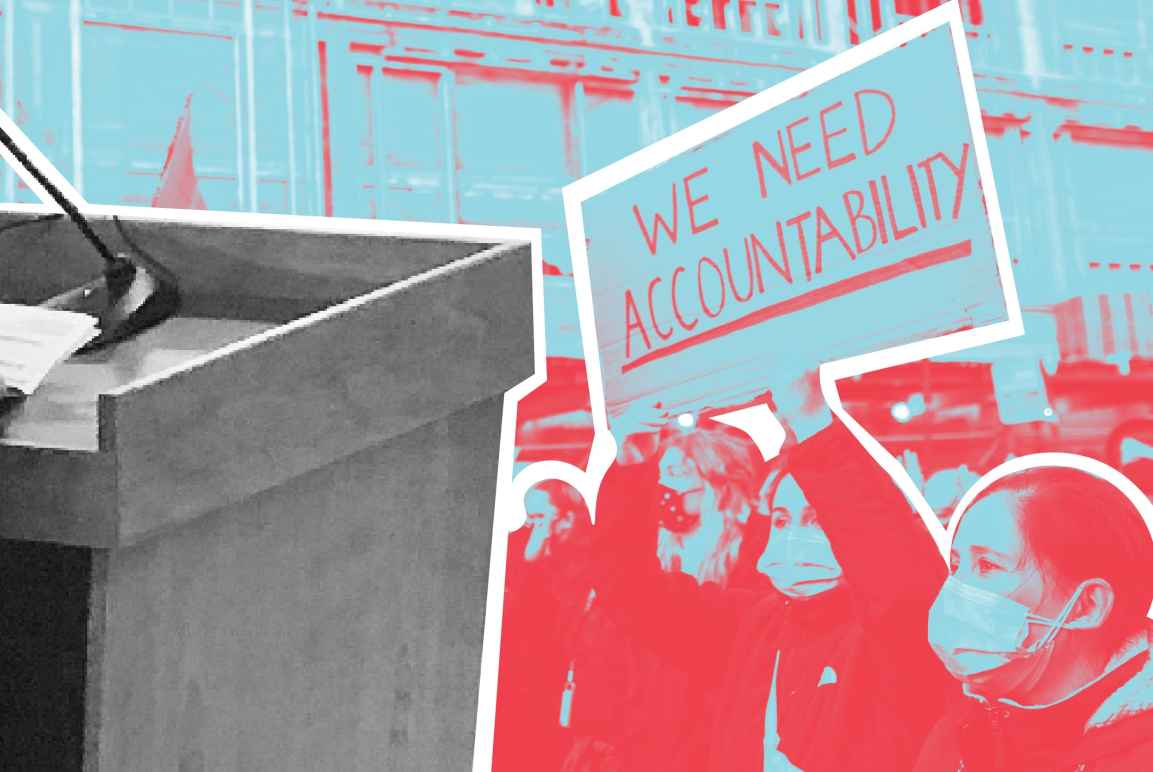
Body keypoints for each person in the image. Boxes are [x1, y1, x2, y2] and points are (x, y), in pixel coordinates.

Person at [593, 375, 952, 771]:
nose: (796, 536)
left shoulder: (892, 638)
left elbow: (895, 583)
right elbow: (633, 594)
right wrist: (632, 472)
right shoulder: (754, 623)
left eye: (817, 520)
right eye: (782, 520)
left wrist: (815, 428)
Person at [916, 466, 1153, 771]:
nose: (956, 591)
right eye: (957, 566)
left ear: (1086, 605)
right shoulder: (957, 732)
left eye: (987, 565)